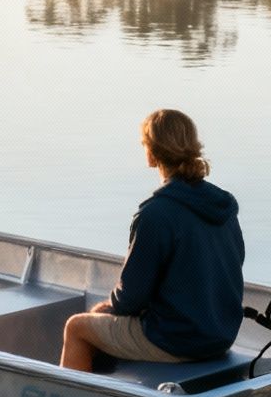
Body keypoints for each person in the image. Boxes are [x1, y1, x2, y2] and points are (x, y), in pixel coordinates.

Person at [60, 109, 245, 372]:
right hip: (221, 334)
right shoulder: (223, 205)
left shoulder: (155, 214)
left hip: (178, 340)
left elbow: (130, 298)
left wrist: (106, 308)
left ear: (151, 154)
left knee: (77, 327)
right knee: (104, 315)